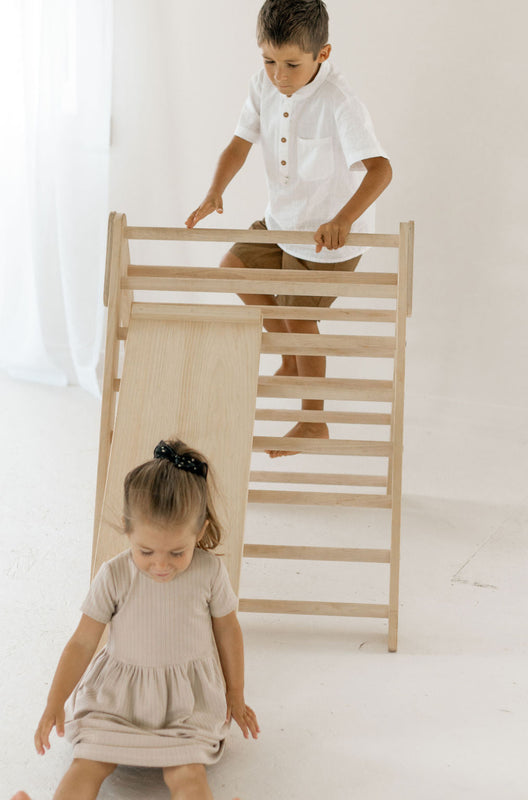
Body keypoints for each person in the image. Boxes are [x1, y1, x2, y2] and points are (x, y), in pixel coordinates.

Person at [185, 0, 392, 458]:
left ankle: (313, 421)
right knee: (233, 267)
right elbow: (240, 143)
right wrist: (215, 190)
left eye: (291, 64)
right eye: (269, 60)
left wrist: (343, 219)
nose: (279, 74)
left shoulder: (340, 101)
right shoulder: (264, 84)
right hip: (282, 223)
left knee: (301, 317)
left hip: (328, 239)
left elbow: (380, 170)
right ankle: (289, 357)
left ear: (322, 54)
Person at [12, 439, 258, 800]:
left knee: (187, 774)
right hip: (116, 702)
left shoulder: (209, 572)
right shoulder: (114, 575)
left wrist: (235, 693)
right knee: (86, 765)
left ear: (200, 532)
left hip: (185, 707)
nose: (161, 565)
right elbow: (82, 642)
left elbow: (227, 629)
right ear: (127, 530)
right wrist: (55, 701)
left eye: (178, 552)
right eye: (146, 551)